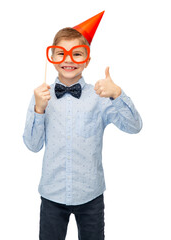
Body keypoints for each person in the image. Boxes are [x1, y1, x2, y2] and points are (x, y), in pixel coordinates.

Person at [23, 11, 142, 240]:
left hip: (90, 194)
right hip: (52, 193)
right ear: (53, 57)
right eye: (62, 53)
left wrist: (117, 94)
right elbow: (33, 146)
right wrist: (39, 109)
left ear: (86, 60)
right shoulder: (42, 97)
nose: (68, 60)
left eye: (77, 54)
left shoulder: (100, 96)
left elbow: (134, 127)